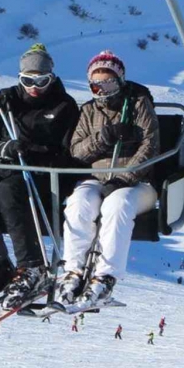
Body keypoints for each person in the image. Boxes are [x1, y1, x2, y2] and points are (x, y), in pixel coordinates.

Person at [0, 44, 81, 308]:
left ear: (52, 78)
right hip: (5, 166)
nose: (34, 86)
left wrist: (36, 155)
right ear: (19, 77)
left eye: (41, 80)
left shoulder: (64, 106)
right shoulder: (4, 101)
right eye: (28, 80)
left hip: (42, 177)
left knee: (9, 191)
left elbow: (72, 151)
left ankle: (32, 266)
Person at [55, 51, 160, 309]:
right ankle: (73, 271)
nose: (102, 90)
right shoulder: (88, 110)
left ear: (120, 80)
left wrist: (126, 177)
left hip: (137, 183)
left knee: (117, 205)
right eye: (95, 85)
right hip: (97, 178)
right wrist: (104, 138)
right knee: (79, 202)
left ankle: (105, 277)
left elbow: (151, 146)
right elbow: (76, 151)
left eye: (109, 83)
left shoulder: (138, 104)